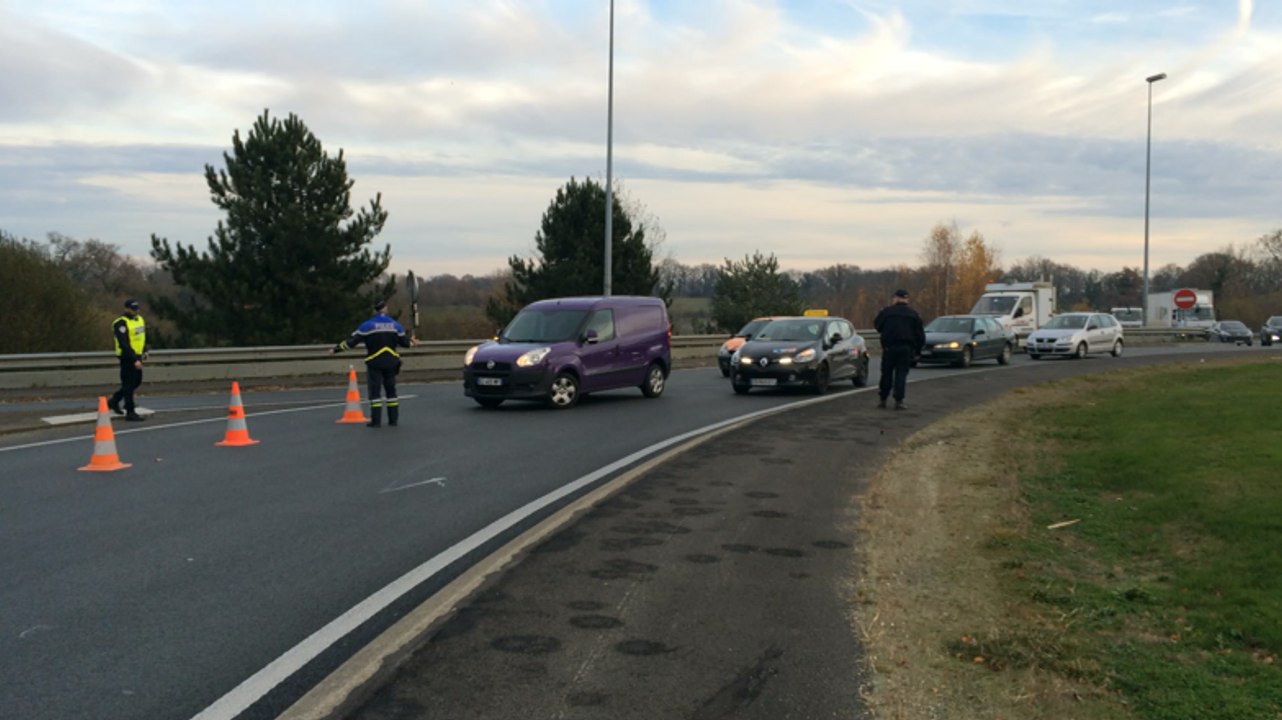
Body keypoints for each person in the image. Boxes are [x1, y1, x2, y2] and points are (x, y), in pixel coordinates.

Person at [329, 300, 417, 427]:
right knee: (391, 391)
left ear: (375, 310)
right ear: (386, 309)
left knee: (375, 392)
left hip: (374, 362)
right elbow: (405, 343)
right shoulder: (396, 325)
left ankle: (376, 421)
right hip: (392, 361)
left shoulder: (367, 326)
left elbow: (351, 342)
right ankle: (393, 420)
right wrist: (412, 342)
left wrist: (336, 349)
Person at [873, 289, 925, 410]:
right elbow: (920, 334)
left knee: (886, 374)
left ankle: (883, 399)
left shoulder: (886, 312)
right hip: (906, 348)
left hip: (889, 347)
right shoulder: (913, 314)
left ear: (895, 298)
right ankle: (899, 401)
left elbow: (877, 326)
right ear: (907, 299)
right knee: (901, 374)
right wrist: (918, 351)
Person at [108, 298, 148, 421]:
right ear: (126, 309)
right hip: (127, 356)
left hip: (137, 355)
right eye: (133, 309)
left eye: (136, 309)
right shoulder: (120, 323)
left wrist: (145, 350)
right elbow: (123, 343)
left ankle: (114, 400)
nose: (135, 311)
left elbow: (141, 337)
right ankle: (130, 411)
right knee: (129, 384)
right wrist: (134, 359)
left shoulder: (139, 320)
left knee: (136, 381)